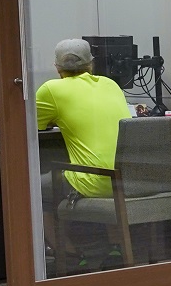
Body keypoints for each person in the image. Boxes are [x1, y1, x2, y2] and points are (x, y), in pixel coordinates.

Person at [35, 37, 131, 198]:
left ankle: (45, 224)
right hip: (126, 182)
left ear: (56, 67)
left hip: (92, 182)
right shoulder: (111, 84)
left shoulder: (51, 89)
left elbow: (31, 126)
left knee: (25, 185)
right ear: (91, 64)